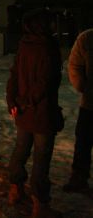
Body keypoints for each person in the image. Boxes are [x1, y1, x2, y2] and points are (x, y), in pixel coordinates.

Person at [6, 8, 63, 217]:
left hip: (24, 112)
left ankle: (16, 189)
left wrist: (13, 101)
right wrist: (23, 102)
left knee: (21, 149)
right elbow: (45, 83)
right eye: (51, 22)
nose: (54, 26)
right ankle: (39, 203)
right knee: (41, 157)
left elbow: (14, 76)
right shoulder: (48, 47)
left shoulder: (24, 45)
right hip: (41, 113)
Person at [63, 28, 93, 193]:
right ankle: (79, 178)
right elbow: (74, 65)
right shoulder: (87, 38)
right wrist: (84, 87)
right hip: (90, 103)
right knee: (83, 141)